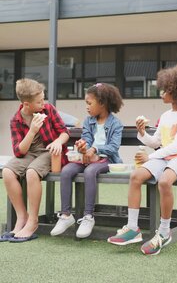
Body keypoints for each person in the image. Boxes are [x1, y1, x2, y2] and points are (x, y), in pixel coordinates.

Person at [108, 64, 177, 255]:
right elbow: (156, 142)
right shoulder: (166, 115)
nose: (161, 92)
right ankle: (132, 228)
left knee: (164, 182)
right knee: (136, 176)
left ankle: (163, 232)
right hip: (166, 156)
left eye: (165, 89)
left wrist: (150, 157)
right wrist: (142, 132)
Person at [50, 83, 124, 239]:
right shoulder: (88, 121)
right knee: (66, 171)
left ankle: (88, 216)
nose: (87, 107)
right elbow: (87, 139)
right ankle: (66, 215)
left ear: (102, 103)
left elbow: (113, 147)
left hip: (106, 159)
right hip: (86, 158)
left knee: (90, 172)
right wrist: (83, 147)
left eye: (89, 103)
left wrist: (95, 150)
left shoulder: (116, 124)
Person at [0, 78, 69, 243]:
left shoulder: (49, 109)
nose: (43, 103)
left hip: (49, 151)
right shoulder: (16, 120)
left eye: (43, 99)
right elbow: (19, 151)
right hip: (28, 153)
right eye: (39, 102)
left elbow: (64, 132)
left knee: (32, 172)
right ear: (26, 104)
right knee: (8, 172)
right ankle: (22, 217)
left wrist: (58, 142)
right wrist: (32, 131)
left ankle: (33, 221)